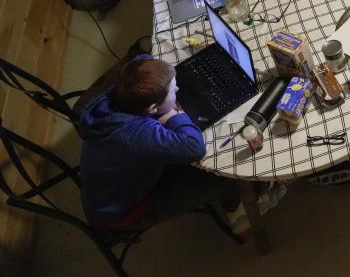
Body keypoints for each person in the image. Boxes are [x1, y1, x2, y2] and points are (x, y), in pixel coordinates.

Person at [78, 55, 284, 232]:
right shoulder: (135, 134)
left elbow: (141, 60)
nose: (178, 87)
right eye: (173, 91)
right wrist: (171, 115)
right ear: (152, 108)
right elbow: (194, 148)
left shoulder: (121, 91)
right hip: (124, 210)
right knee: (225, 173)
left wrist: (164, 83)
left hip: (119, 178)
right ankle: (240, 204)